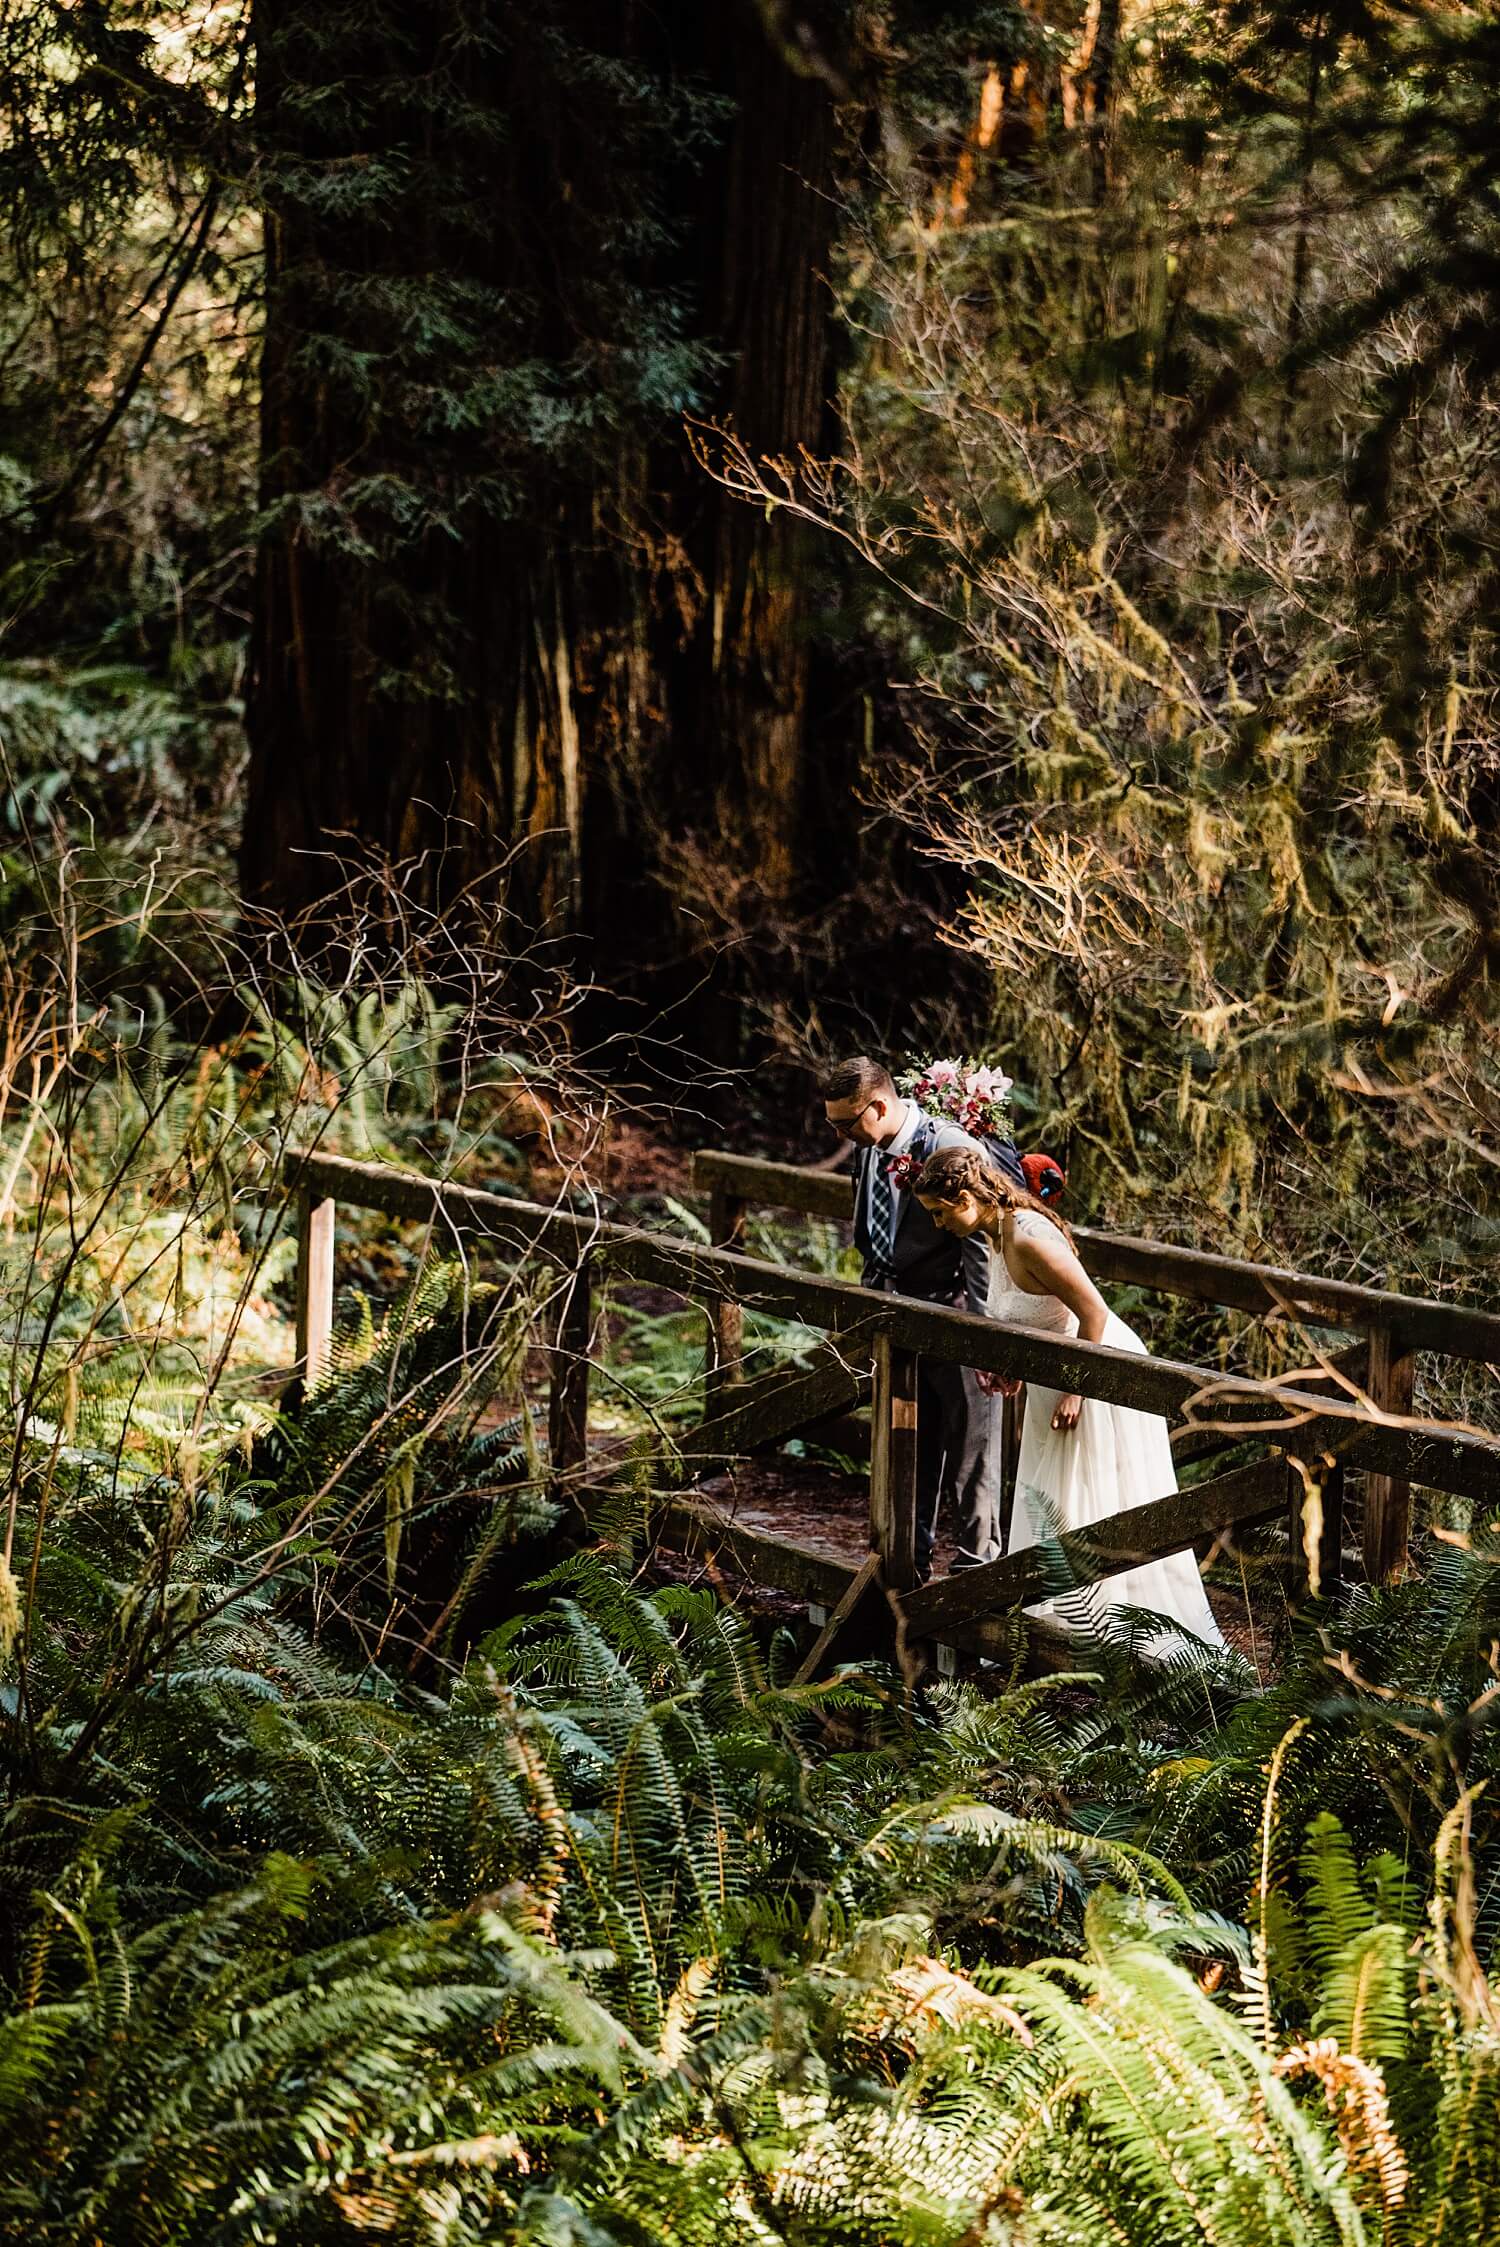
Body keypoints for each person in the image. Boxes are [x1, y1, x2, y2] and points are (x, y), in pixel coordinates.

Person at [914, 1142, 1227, 1655]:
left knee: (1098, 1498)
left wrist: (1077, 1390)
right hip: (1055, 1376)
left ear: (969, 1196)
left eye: (940, 1213)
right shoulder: (995, 1234)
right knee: (1055, 1503)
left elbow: (1095, 1313)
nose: (938, 1225)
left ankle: (1126, 1636)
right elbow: (1039, 1312)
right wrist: (1017, 1369)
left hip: (1095, 1373)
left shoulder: (1029, 1236)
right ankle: (1066, 1633)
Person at [819, 1055, 1023, 1581]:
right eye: (832, 1123)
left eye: (846, 1123)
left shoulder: (949, 1146)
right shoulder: (868, 1151)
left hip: (955, 1316)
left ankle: (976, 1577)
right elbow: (872, 1239)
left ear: (880, 1105)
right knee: (906, 1447)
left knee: (971, 1455)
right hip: (896, 1319)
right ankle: (907, 1568)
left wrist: (982, 1341)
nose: (840, 1133)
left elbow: (983, 1251)